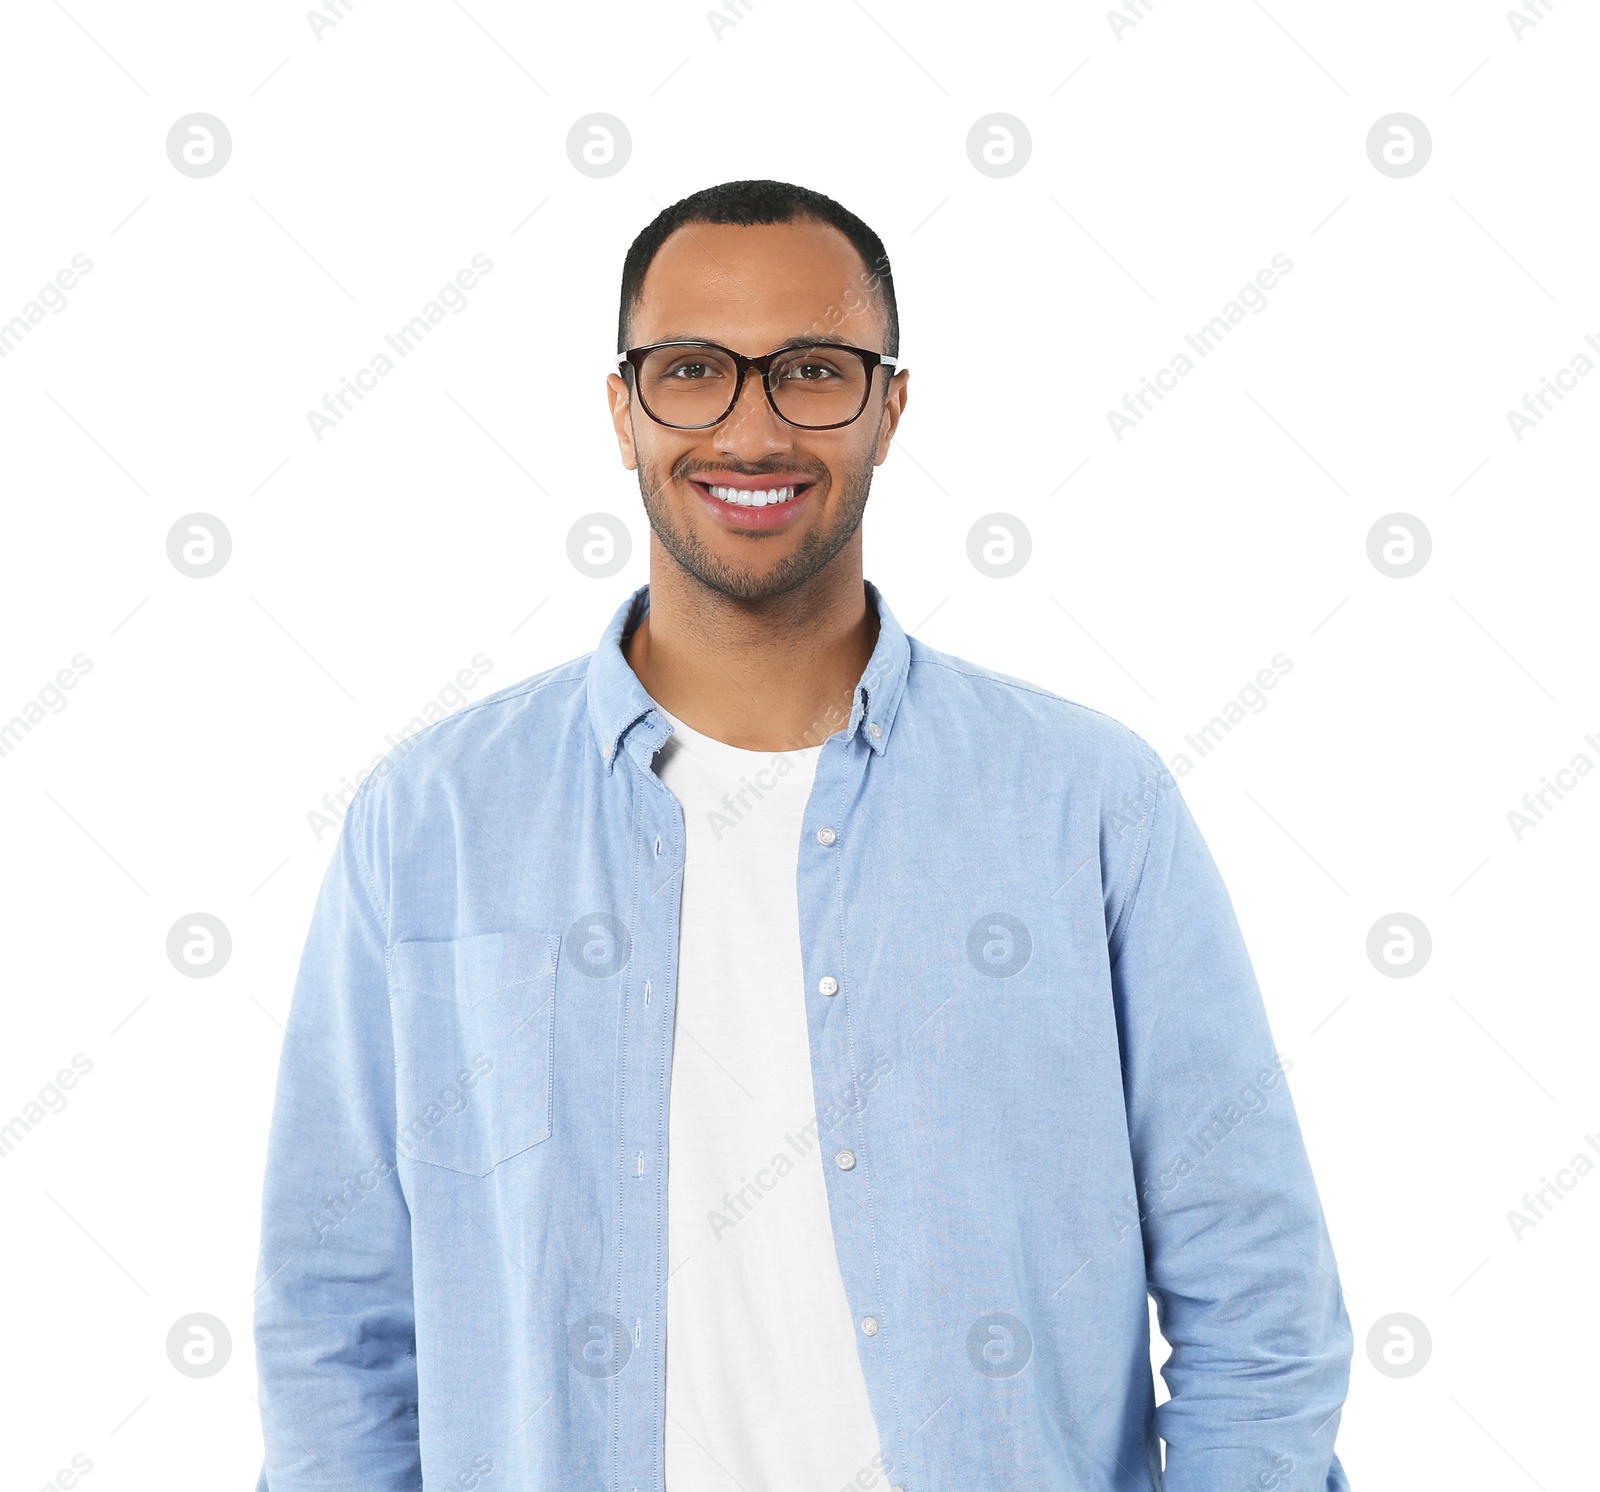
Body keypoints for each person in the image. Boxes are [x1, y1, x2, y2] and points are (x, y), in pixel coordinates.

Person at [254, 178, 1353, 1492]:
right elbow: (336, 1322)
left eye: (814, 371)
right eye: (694, 371)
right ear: (623, 411)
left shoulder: (1086, 805)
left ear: (891, 406)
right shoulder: (433, 819)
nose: (753, 428)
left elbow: (1259, 1306)